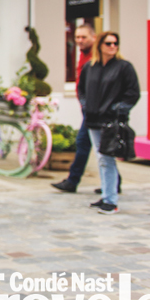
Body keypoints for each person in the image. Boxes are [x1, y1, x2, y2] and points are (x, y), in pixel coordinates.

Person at [78, 31, 140, 214]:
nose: (112, 47)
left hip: (111, 121)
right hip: (92, 120)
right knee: (101, 158)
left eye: (115, 43)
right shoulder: (90, 67)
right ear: (100, 46)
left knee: (107, 158)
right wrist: (85, 105)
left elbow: (133, 93)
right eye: (108, 43)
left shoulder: (124, 67)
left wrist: (117, 110)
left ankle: (111, 200)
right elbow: (81, 89)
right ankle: (106, 195)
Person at [52, 24, 97, 193]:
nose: (79, 40)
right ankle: (115, 182)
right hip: (87, 107)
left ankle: (72, 180)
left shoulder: (95, 57)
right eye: (77, 37)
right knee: (100, 147)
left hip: (93, 109)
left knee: (83, 143)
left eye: (83, 37)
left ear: (93, 37)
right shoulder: (83, 55)